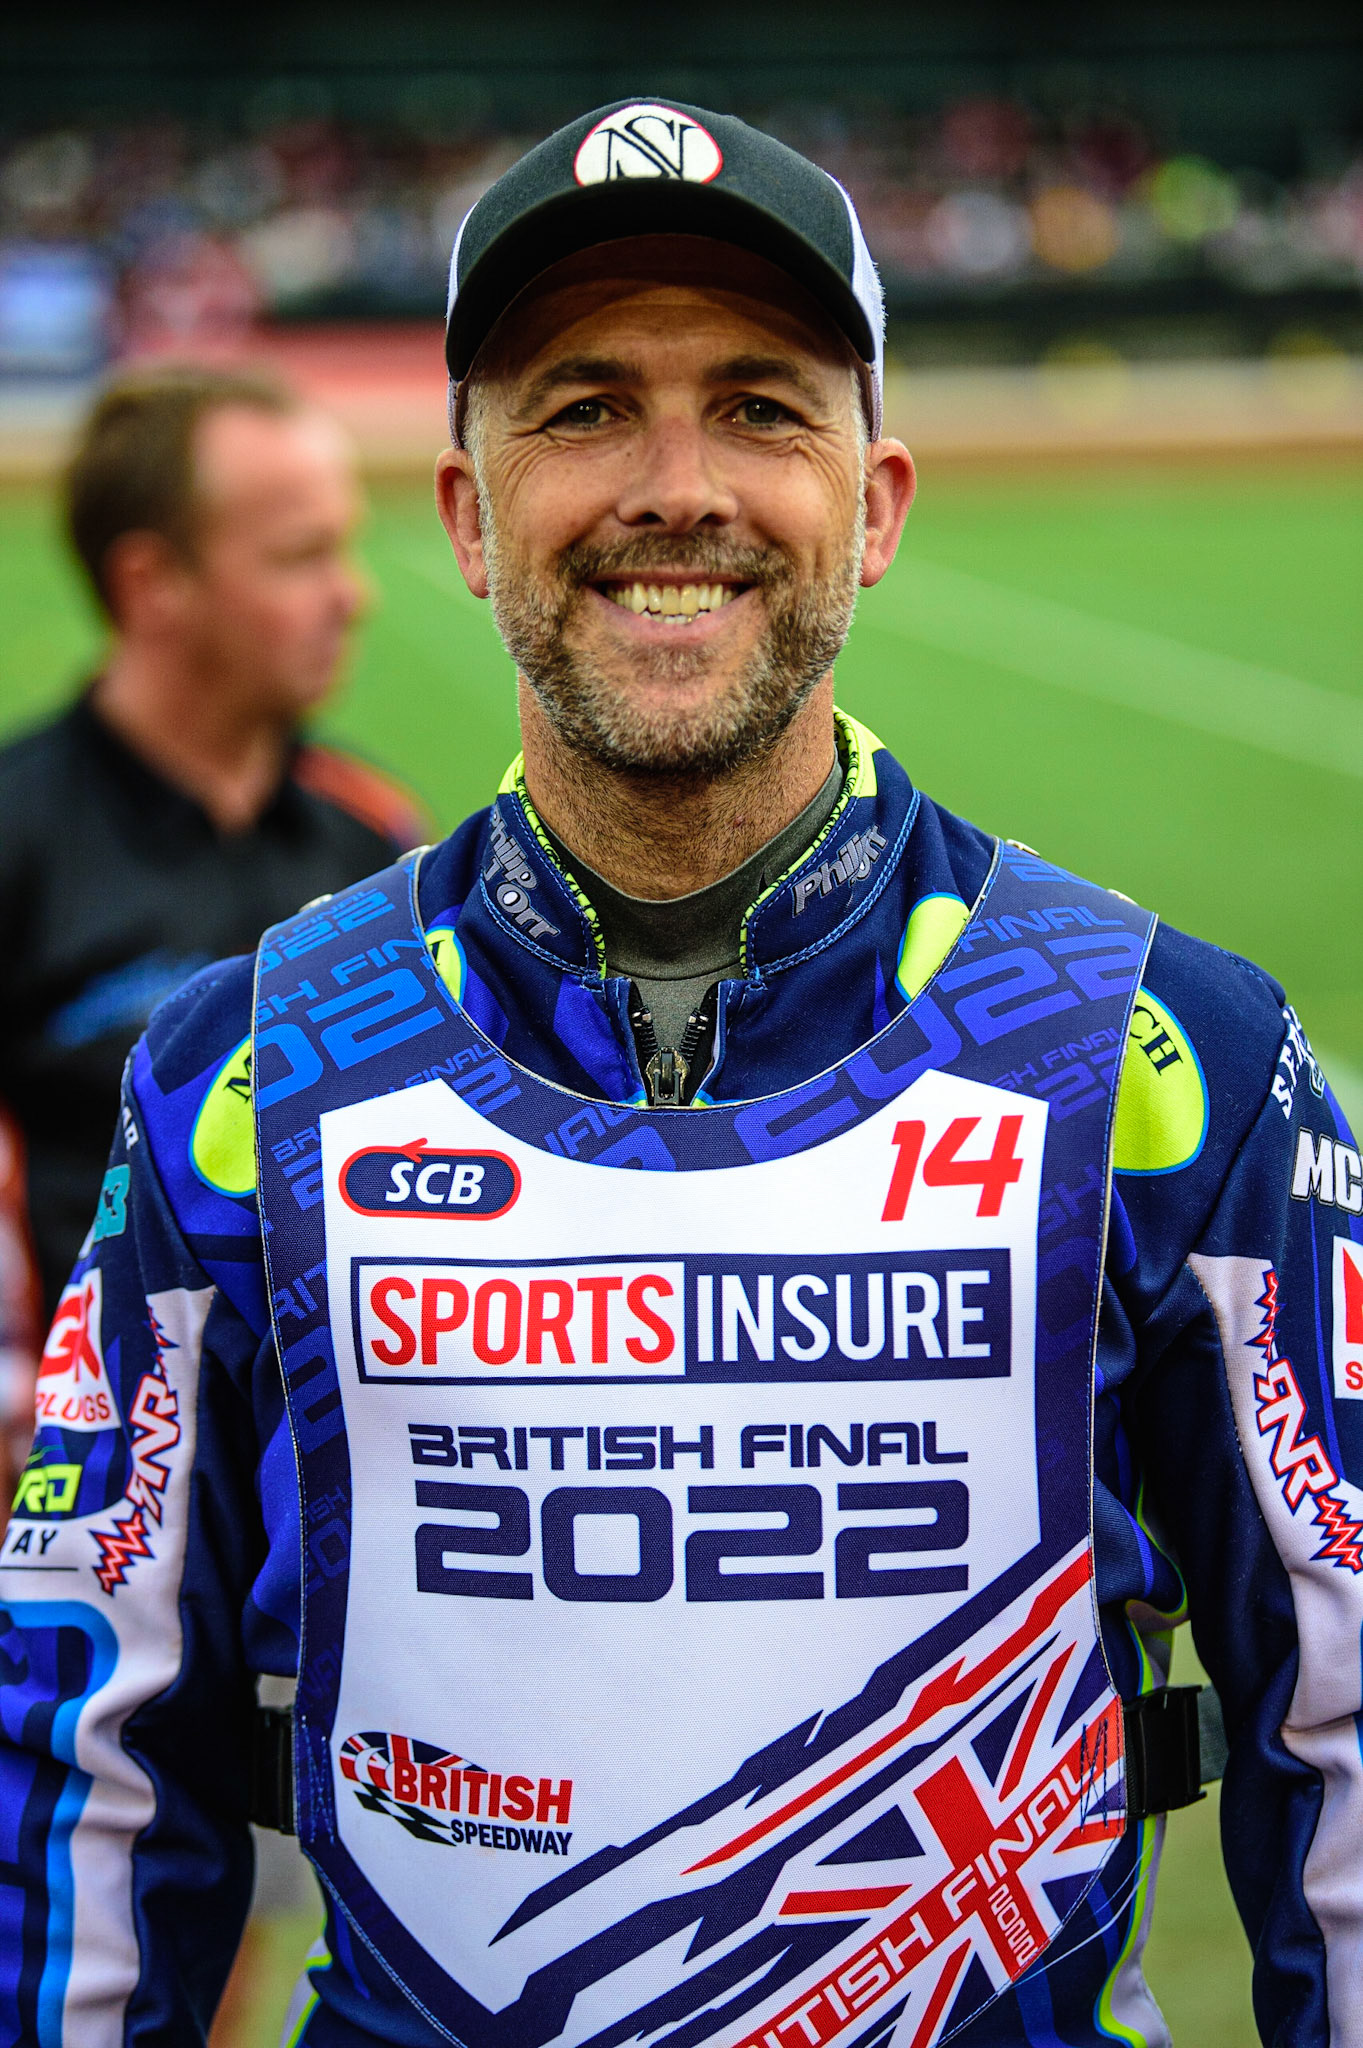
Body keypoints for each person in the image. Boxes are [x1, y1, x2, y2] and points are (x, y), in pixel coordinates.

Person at [0, 101, 1358, 2048]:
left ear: (874, 501)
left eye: (758, 404)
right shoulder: (238, 1074)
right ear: (468, 519)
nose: (673, 485)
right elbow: (85, 1769)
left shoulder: (1178, 1063)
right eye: (579, 408)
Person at [0, 367, 428, 1488]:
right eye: (298, 556)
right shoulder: (18, 841)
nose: (354, 595)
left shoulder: (375, 841)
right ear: (153, 584)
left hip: (319, 1509)